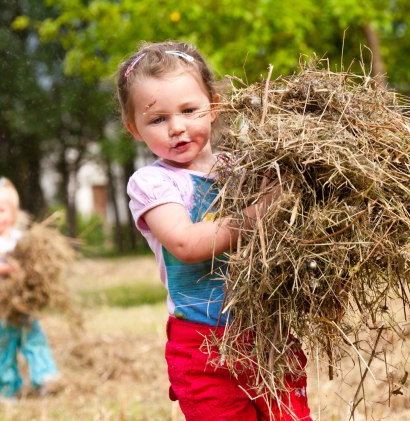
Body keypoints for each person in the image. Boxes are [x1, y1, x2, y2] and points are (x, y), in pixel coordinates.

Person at [119, 41, 312, 420]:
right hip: (202, 345)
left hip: (269, 332)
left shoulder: (243, 167)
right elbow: (186, 243)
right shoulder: (153, 183)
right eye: (157, 120)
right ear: (134, 129)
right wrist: (261, 211)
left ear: (214, 106)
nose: (177, 128)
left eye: (189, 111)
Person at [0, 178, 61, 401]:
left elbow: (30, 261)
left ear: (12, 212)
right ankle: (6, 391)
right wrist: (11, 269)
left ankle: (45, 379)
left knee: (34, 340)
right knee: (6, 349)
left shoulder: (18, 238)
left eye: (1, 210)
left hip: (22, 304)